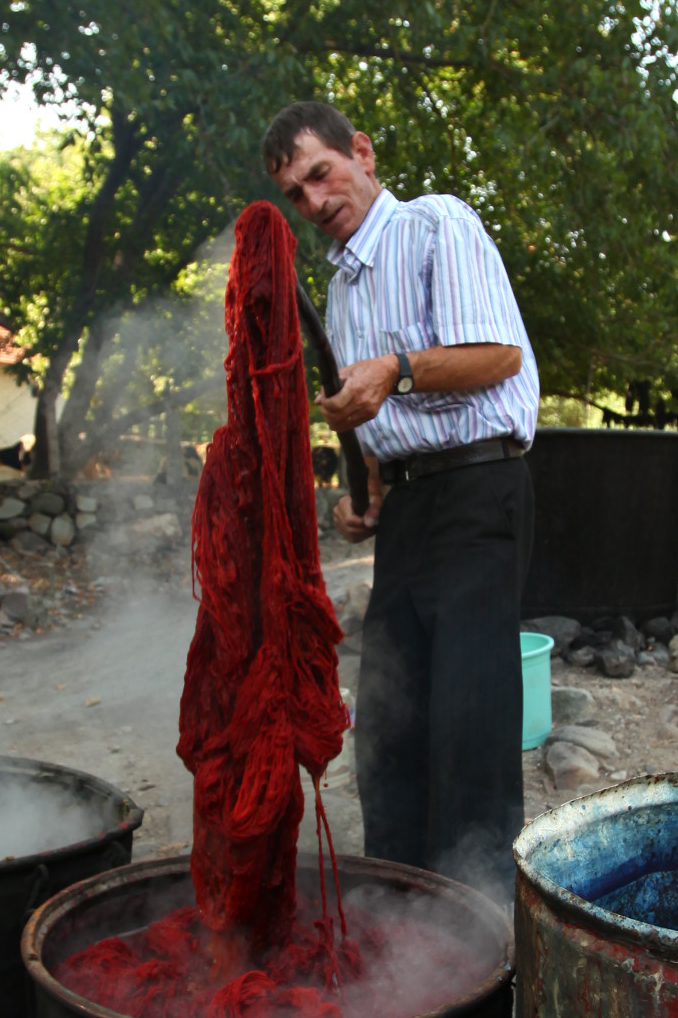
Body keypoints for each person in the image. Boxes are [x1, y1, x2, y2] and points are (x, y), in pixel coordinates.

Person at [263, 101, 539, 899]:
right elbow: (382, 422)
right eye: (295, 193)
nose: (313, 201)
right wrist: (369, 496)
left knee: (467, 723)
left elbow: (496, 353)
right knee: (388, 721)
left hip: (481, 490)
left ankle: (477, 929)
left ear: (362, 153)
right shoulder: (342, 290)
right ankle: (397, 913)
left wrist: (394, 369)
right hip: (413, 511)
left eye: (320, 173)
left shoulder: (434, 226)